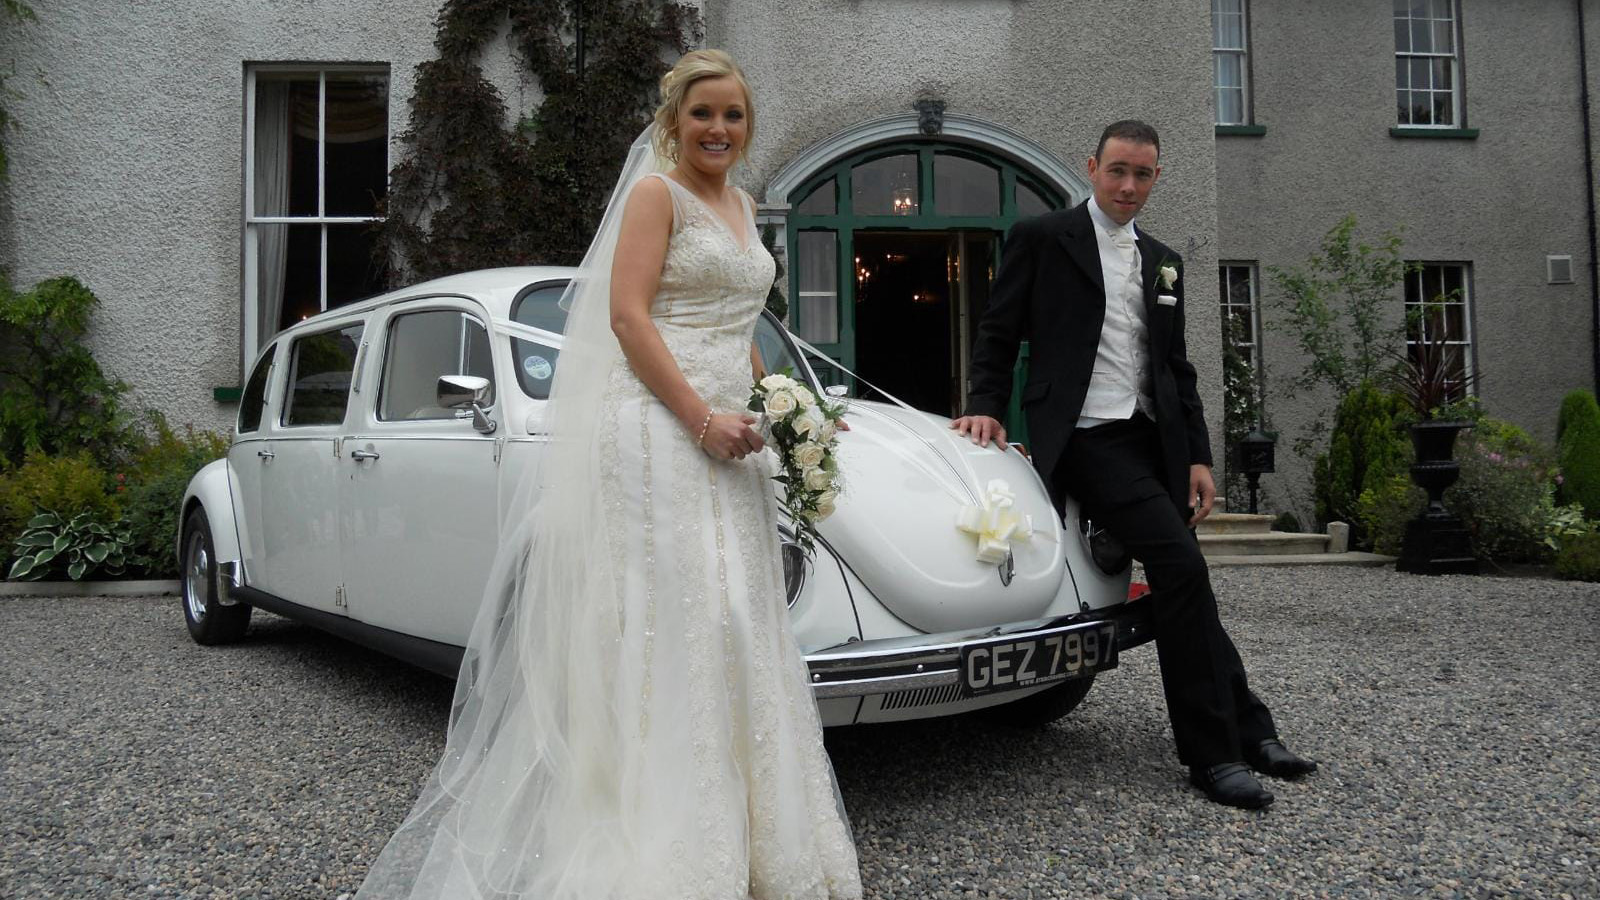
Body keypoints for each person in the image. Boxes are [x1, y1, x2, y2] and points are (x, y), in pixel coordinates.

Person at [355, 50, 862, 897]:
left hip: (731, 436)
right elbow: (629, 318)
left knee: (742, 616)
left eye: (733, 116)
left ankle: (759, 845)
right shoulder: (653, 195)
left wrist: (773, 403)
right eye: (703, 113)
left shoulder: (739, 205)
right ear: (674, 121)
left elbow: (734, 320)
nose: (718, 129)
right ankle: (665, 847)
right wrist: (700, 420)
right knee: (686, 618)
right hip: (660, 430)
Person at [951, 120, 1317, 810]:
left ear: (1156, 178)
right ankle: (1213, 754)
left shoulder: (1164, 259)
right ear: (1092, 167)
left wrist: (1201, 458)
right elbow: (998, 331)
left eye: (1142, 175)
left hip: (1159, 443)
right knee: (1180, 568)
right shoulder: (1042, 239)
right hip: (1088, 438)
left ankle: (1252, 726)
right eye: (1117, 170)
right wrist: (985, 406)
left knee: (1188, 583)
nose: (1127, 186)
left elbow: (1177, 370)